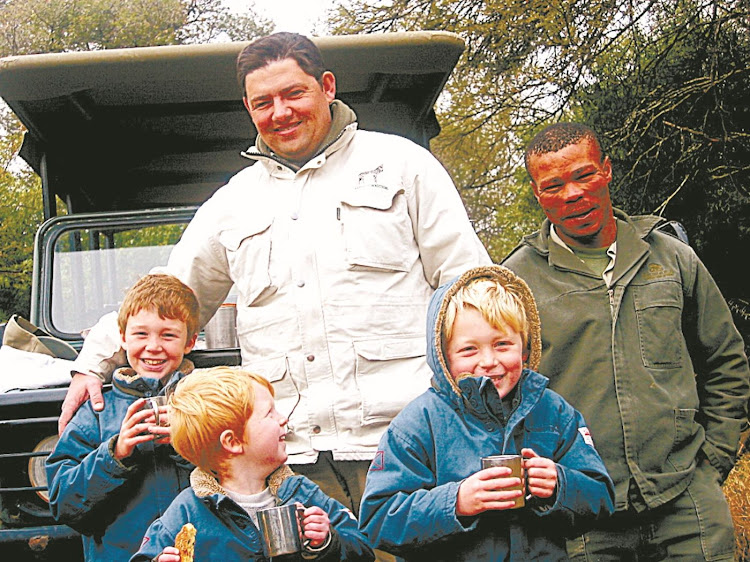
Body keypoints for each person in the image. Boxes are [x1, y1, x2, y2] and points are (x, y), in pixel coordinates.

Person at [58, 31, 491, 519]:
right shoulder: (233, 202)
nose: (280, 112)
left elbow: (469, 287)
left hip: (409, 445)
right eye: (263, 102)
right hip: (291, 460)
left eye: (294, 93)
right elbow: (165, 297)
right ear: (248, 107)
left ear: (327, 86)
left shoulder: (403, 166)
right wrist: (92, 363)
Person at [502, 122, 750, 560]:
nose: (573, 194)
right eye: (553, 185)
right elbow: (499, 396)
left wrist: (712, 462)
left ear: (607, 170)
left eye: (584, 175)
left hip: (687, 499)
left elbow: (725, 360)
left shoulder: (670, 257)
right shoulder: (517, 281)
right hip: (583, 513)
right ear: (538, 196)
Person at [358, 265, 615, 561]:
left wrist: (560, 484)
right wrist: (456, 502)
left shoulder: (554, 412)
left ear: (525, 347)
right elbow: (377, 521)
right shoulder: (417, 424)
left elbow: (602, 499)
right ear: (443, 355)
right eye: (469, 350)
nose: (489, 361)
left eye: (502, 344)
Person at [131, 366, 375, 562]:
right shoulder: (187, 512)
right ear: (233, 441)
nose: (283, 419)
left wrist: (328, 541)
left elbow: (363, 548)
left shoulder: (302, 492)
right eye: (269, 413)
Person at [46, 274, 199, 561]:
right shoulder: (97, 412)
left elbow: (242, 480)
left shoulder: (210, 402)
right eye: (141, 334)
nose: (153, 346)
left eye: (168, 335)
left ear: (189, 341)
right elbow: (63, 505)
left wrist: (188, 445)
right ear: (122, 338)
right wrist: (115, 454)